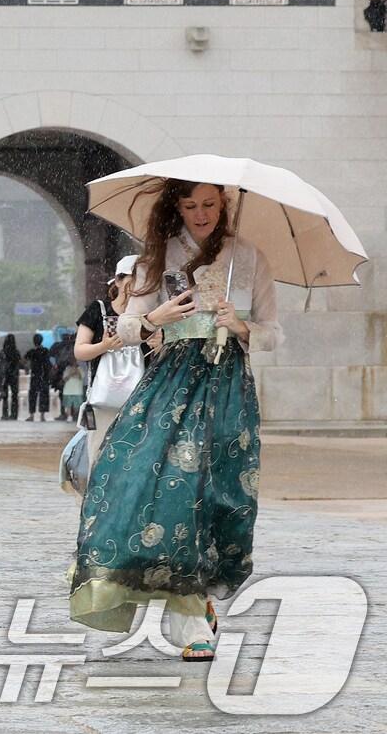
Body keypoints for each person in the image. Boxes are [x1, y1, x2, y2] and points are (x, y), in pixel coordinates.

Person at [70, 180, 283, 662]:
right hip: (171, 386)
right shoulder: (155, 258)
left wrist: (242, 326)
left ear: (222, 205)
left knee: (221, 495)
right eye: (190, 205)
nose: (200, 213)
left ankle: (202, 594)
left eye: (209, 204)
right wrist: (154, 317)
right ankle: (190, 618)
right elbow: (123, 330)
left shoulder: (249, 258)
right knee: (167, 490)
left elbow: (274, 332)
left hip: (229, 388)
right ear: (177, 207)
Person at [72, 254, 142, 470]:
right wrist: (105, 346)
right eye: (132, 279)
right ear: (118, 281)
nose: (136, 286)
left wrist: (158, 342)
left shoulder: (149, 315)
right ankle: (96, 501)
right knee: (99, 455)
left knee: (135, 457)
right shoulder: (98, 310)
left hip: (140, 400)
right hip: (102, 399)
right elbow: (80, 351)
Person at [22, 334, 51, 421]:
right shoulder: (45, 350)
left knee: (33, 395)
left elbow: (23, 360)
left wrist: (27, 367)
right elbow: (49, 362)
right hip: (44, 375)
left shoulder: (32, 352)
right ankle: (42, 416)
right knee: (44, 395)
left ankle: (32, 415)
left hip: (35, 376)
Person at [0, 335, 21, 420]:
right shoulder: (16, 352)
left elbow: (0, 364)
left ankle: (5, 414)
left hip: (5, 375)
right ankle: (14, 414)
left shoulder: (3, 352)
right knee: (14, 395)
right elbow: (19, 363)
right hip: (14, 375)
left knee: (5, 396)